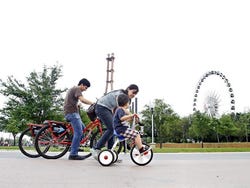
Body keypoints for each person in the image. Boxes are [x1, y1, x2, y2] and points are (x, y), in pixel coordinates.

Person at [90, 84, 139, 158]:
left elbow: (122, 110)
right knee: (112, 128)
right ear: (128, 89)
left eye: (136, 94)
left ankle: (110, 153)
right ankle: (96, 148)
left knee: (114, 128)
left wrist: (132, 117)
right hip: (101, 107)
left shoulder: (125, 97)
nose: (134, 95)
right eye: (133, 92)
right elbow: (121, 108)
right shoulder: (120, 94)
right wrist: (132, 115)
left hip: (108, 109)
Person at [64, 78, 94, 160]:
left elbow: (74, 100)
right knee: (79, 133)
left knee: (83, 130)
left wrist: (77, 104)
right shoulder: (77, 89)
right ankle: (73, 154)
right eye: (85, 87)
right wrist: (93, 103)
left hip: (72, 113)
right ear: (81, 85)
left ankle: (75, 146)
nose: (85, 90)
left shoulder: (73, 89)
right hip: (72, 114)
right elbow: (82, 99)